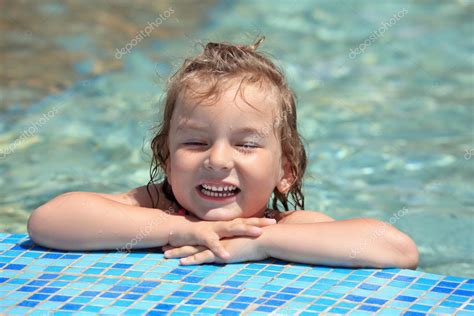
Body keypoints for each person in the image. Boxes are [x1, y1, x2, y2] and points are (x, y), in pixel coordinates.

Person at [27, 37, 419, 269]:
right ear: (166, 158)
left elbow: (396, 249)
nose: (217, 160)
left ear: (286, 170)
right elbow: (48, 221)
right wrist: (181, 229)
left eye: (246, 144)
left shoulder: (277, 226)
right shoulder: (154, 207)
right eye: (195, 142)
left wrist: (260, 245)